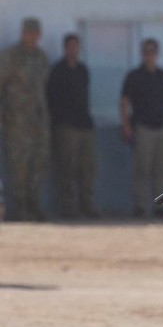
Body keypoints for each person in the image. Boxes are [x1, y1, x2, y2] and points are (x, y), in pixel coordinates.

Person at [0, 17, 50, 221]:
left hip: (38, 121)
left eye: (35, 32)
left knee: (38, 164)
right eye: (29, 31)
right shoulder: (10, 57)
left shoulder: (42, 57)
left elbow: (43, 87)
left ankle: (33, 205)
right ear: (23, 33)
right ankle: (19, 208)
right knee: (18, 166)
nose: (32, 35)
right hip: (17, 122)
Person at [120, 38, 163, 218]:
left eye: (152, 51)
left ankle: (161, 206)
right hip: (143, 127)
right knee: (142, 169)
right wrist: (126, 126)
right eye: (146, 51)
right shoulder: (134, 76)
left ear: (157, 53)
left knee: (161, 169)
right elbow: (124, 102)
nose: (149, 55)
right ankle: (141, 206)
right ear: (142, 54)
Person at [46, 33, 98, 219]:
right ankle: (69, 207)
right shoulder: (57, 70)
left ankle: (87, 205)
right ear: (64, 48)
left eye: (76, 46)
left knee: (87, 168)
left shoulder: (83, 69)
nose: (73, 49)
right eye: (70, 46)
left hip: (84, 125)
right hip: (65, 126)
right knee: (67, 168)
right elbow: (51, 98)